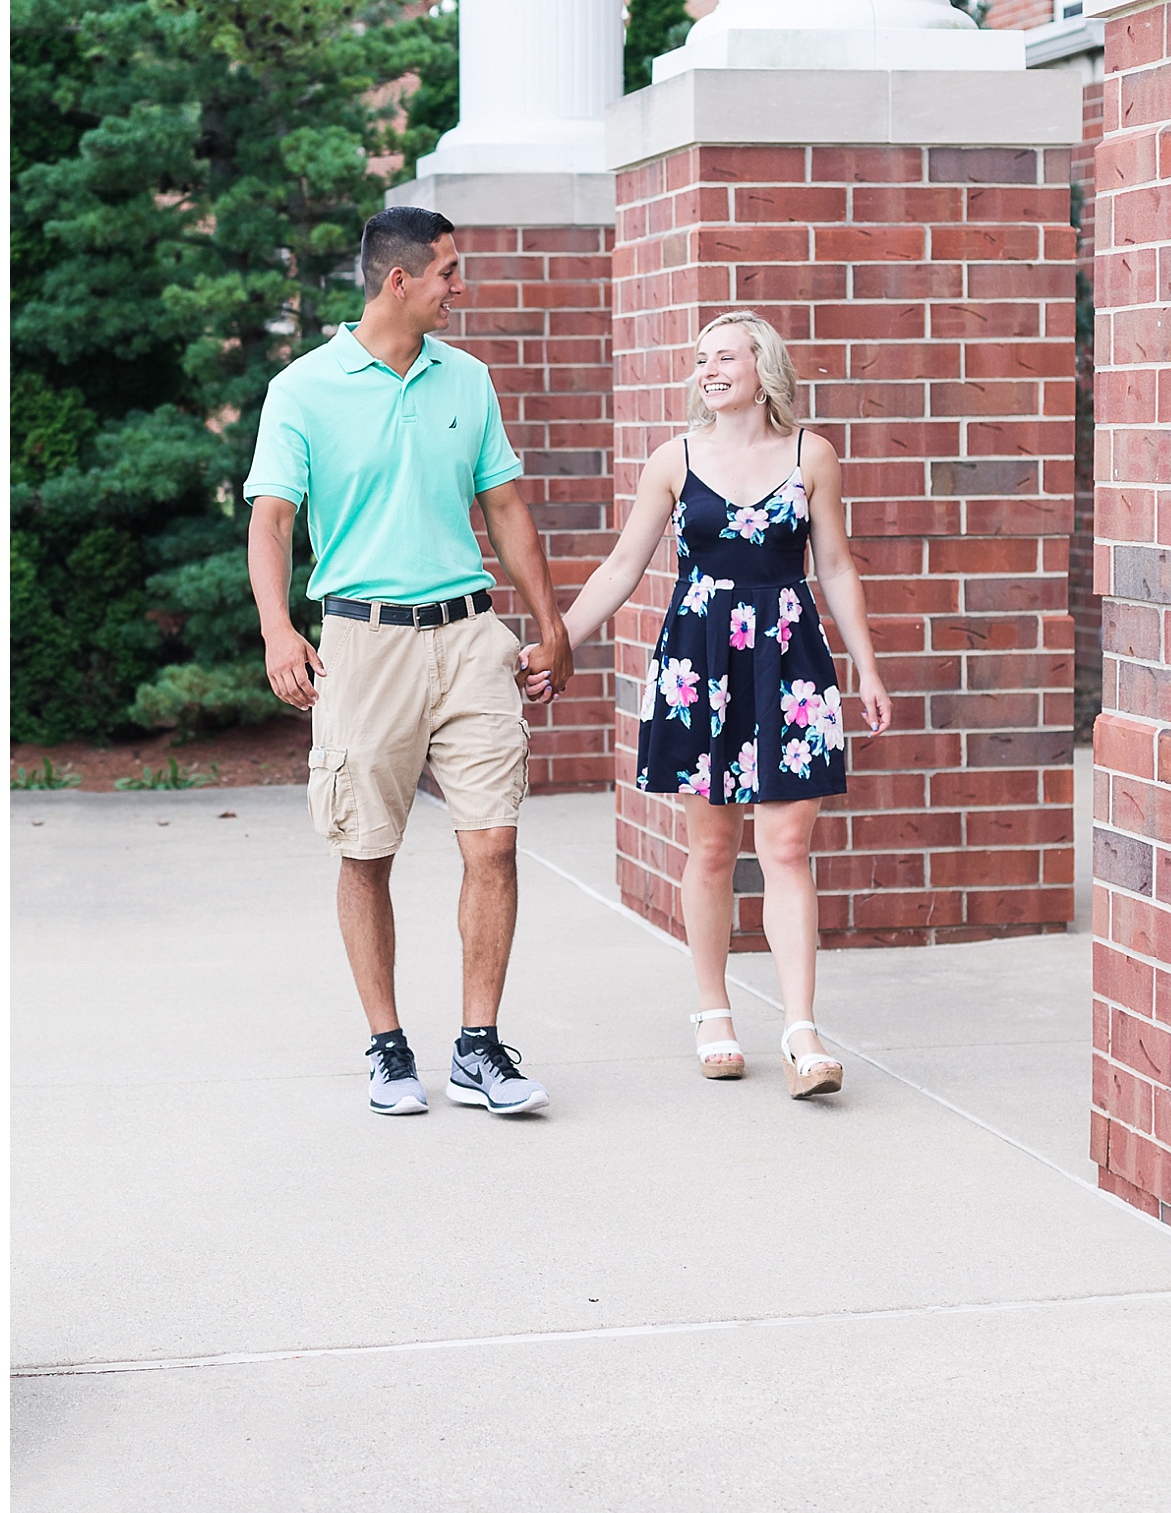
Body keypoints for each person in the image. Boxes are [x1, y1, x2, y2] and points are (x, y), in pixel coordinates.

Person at [244, 206, 572, 1118]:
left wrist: (549, 625)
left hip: (470, 635)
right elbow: (270, 521)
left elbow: (504, 507)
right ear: (400, 281)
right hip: (362, 638)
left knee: (495, 840)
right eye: (448, 273)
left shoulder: (467, 380)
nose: (457, 288)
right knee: (366, 851)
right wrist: (279, 628)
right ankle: (389, 1048)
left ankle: (478, 1047)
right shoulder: (303, 390)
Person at [524, 310, 890, 1098]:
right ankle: (713, 1012)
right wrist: (560, 643)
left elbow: (835, 564)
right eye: (700, 360)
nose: (708, 370)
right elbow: (623, 567)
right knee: (714, 849)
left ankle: (801, 1031)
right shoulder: (674, 459)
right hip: (700, 661)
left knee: (787, 848)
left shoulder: (811, 455)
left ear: (763, 367)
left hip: (789, 659)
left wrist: (867, 667)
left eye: (724, 357)